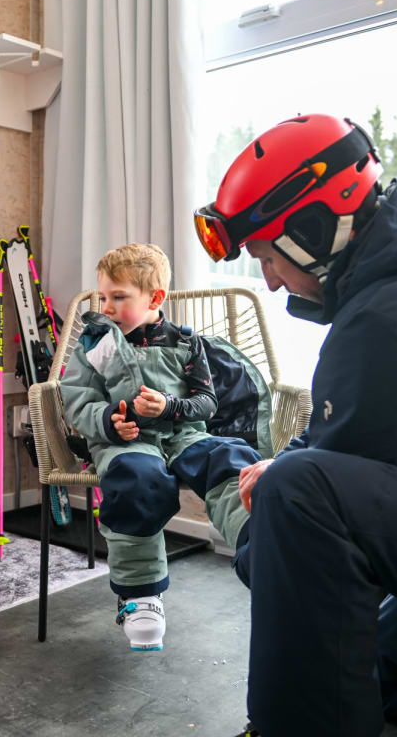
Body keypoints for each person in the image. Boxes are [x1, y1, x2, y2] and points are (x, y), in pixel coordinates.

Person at [194, 113, 397, 737]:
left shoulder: (379, 317)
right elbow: (363, 429)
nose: (270, 279)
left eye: (266, 255)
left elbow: (316, 500)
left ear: (313, 229)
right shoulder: (377, 293)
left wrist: (269, 519)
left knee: (292, 492)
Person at [60, 243, 261, 651]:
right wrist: (109, 422)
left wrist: (171, 406)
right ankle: (140, 595)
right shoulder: (96, 344)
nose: (108, 306)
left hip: (184, 434)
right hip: (129, 442)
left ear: (155, 299)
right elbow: (77, 399)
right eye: (103, 297)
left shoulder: (187, 344)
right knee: (138, 479)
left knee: (230, 459)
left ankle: (262, 548)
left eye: (119, 297)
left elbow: (207, 402)